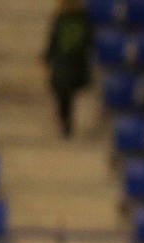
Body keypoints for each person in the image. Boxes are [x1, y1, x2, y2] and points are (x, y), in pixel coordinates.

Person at [44, 0, 93, 139]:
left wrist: (47, 57)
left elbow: (88, 40)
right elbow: (54, 39)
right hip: (67, 63)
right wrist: (47, 56)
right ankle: (65, 122)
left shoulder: (81, 19)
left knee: (65, 94)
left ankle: (65, 122)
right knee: (64, 94)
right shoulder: (68, 19)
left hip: (71, 63)